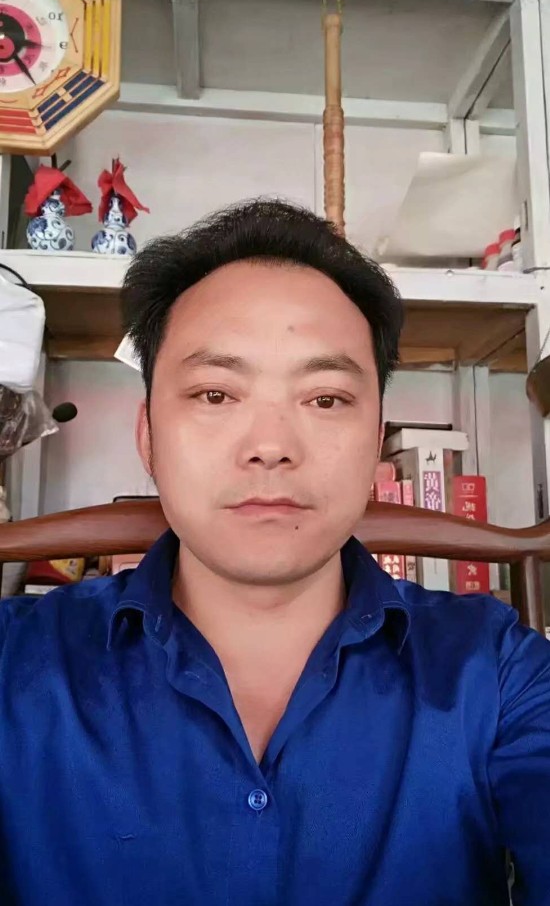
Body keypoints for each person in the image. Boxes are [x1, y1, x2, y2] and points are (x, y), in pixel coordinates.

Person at [0, 199, 549, 906]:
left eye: (325, 400)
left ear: (377, 438)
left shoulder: (498, 674)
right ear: (148, 438)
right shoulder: (15, 667)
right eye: (215, 393)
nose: (270, 445)